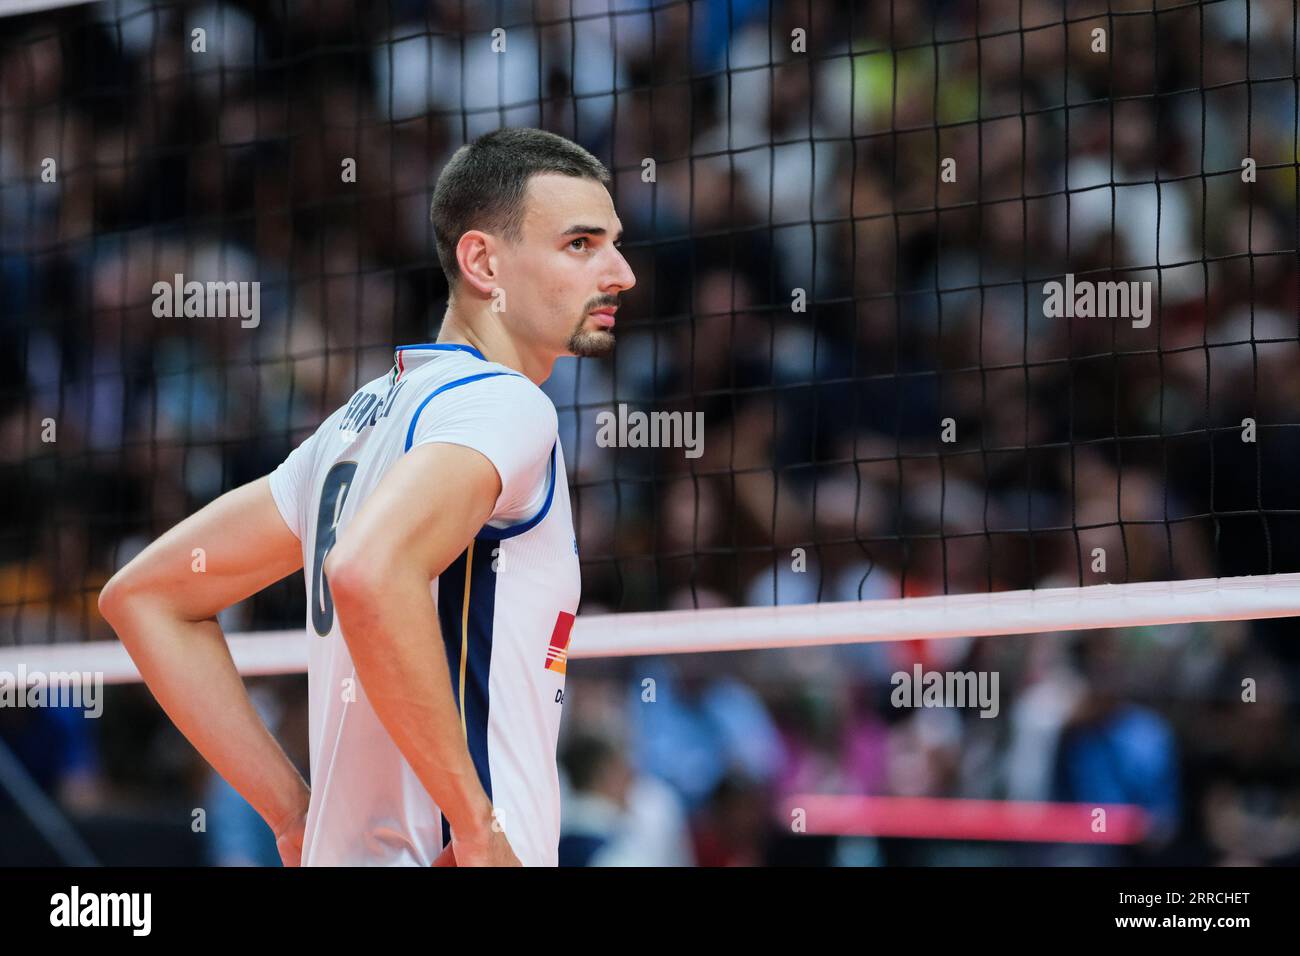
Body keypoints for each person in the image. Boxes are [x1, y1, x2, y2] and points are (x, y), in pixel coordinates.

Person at [98, 127, 636, 867]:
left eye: (613, 243)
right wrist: (477, 826)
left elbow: (146, 596)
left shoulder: (353, 425)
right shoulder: (507, 407)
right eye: (581, 244)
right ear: (483, 261)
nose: (621, 272)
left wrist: (292, 816)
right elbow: (369, 572)